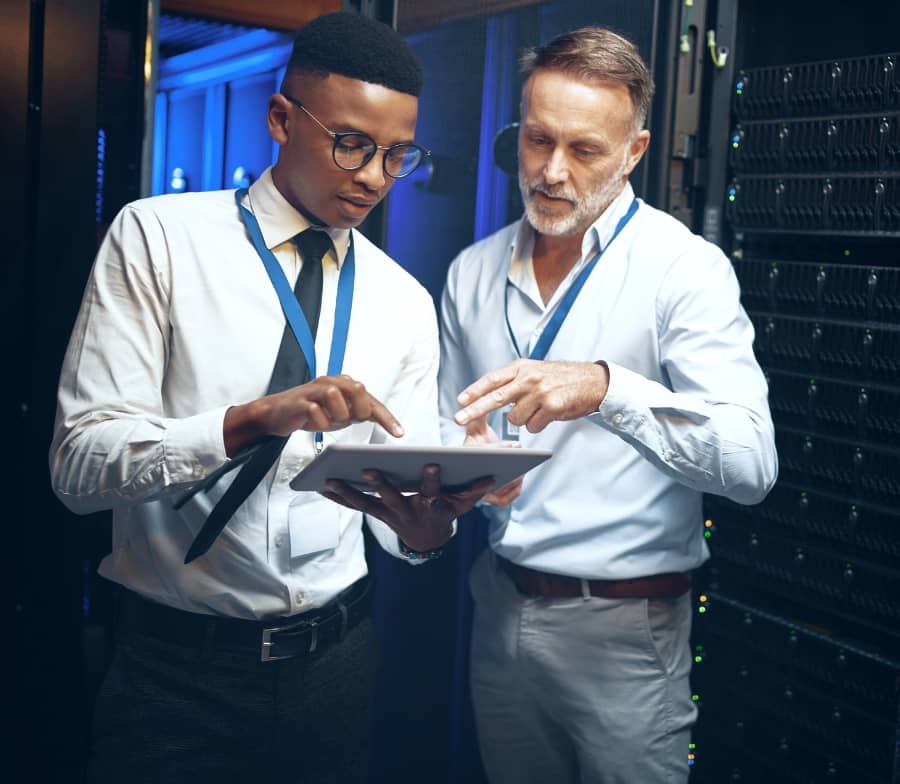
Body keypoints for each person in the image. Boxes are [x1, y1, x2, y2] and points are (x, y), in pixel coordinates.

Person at [49, 12, 491, 784]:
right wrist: (250, 421)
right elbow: (78, 470)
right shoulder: (157, 239)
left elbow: (399, 531)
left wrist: (427, 527)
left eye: (397, 155)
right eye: (351, 143)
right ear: (282, 118)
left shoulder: (404, 301)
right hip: (174, 674)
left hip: (340, 668)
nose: (374, 177)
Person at [439, 27, 778, 784]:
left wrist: (605, 387)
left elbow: (752, 465)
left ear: (634, 151)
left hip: (628, 635)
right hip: (498, 608)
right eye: (537, 140)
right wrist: (464, 473)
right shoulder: (471, 272)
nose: (552, 172)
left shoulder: (683, 271)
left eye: (585, 150)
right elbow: (448, 425)